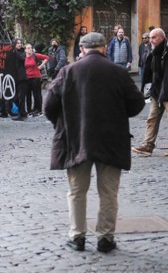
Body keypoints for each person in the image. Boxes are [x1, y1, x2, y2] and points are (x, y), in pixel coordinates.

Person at [44, 32, 145, 253]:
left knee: (76, 191)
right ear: (104, 48)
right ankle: (105, 238)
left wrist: (62, 124)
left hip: (76, 140)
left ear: (81, 49)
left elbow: (49, 106)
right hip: (111, 140)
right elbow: (137, 104)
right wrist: (118, 113)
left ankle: (77, 236)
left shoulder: (68, 71)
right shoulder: (118, 72)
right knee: (108, 192)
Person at [132, 28, 168, 157]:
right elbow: (149, 73)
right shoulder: (152, 52)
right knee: (151, 119)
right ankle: (147, 146)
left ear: (162, 38)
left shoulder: (165, 51)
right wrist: (147, 91)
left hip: (167, 92)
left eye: (154, 37)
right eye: (150, 37)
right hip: (156, 92)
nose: (150, 40)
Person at [25, 43, 48, 116]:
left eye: (31, 48)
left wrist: (41, 65)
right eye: (28, 48)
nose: (30, 49)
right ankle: (29, 110)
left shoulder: (35, 55)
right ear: (25, 50)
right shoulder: (23, 57)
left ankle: (38, 109)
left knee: (37, 94)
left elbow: (47, 57)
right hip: (27, 78)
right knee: (28, 94)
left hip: (36, 77)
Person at [12, 38, 29, 121]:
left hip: (22, 77)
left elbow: (22, 59)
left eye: (20, 43)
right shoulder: (12, 52)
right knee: (14, 97)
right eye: (17, 43)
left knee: (21, 97)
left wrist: (14, 51)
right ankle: (23, 112)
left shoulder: (23, 52)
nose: (19, 44)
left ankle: (21, 114)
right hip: (14, 77)